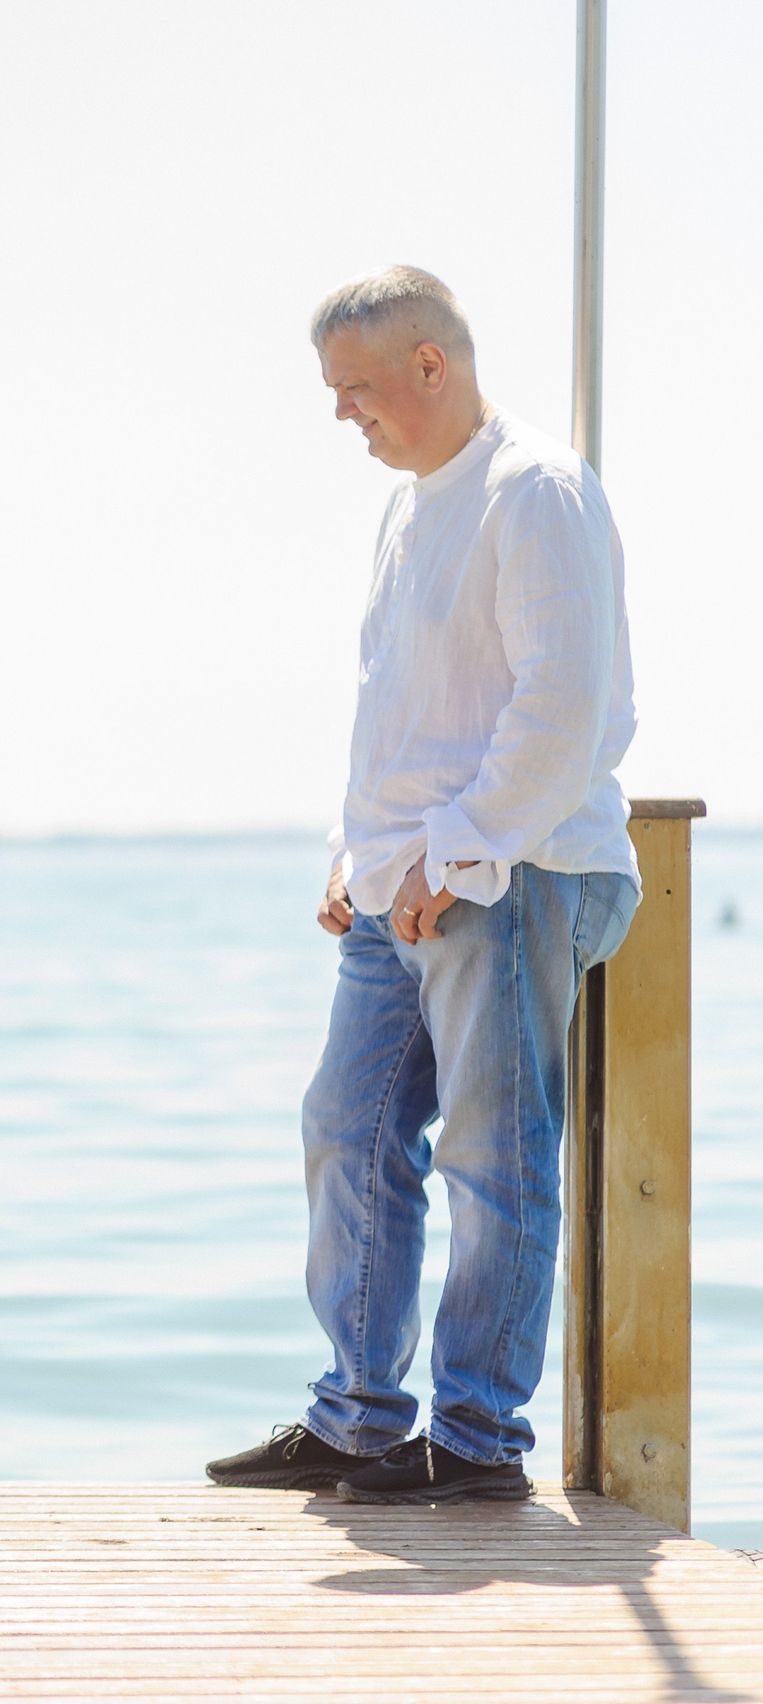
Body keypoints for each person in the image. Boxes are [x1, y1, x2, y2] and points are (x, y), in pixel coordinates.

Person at [207, 266, 640, 1505]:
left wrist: (459, 854)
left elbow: (563, 711)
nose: (344, 414)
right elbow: (406, 711)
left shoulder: (535, 492)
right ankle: (356, 1417)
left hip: (509, 878)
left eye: (355, 389)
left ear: (429, 366)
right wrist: (357, 852)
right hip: (403, 889)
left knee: (494, 1157)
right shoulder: (407, 510)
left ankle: (477, 1439)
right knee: (345, 1130)